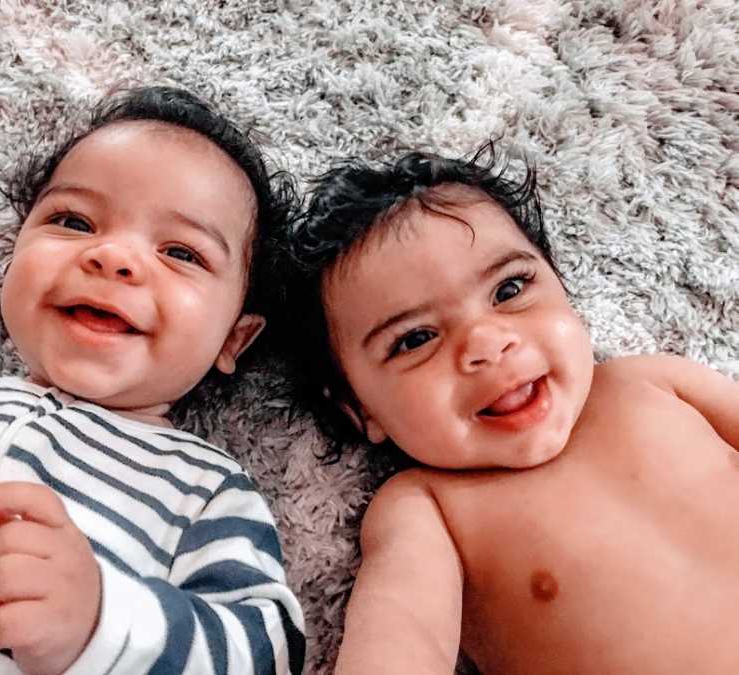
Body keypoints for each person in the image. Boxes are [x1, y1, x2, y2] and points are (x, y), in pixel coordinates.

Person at [0, 86, 305, 675]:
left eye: (182, 253)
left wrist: (102, 622)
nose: (114, 258)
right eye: (74, 221)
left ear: (235, 339)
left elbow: (265, 651)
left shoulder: (204, 488)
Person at [280, 141, 739, 675]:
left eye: (510, 289)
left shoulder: (658, 381)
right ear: (362, 412)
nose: (486, 342)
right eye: (416, 339)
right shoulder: (431, 507)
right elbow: (407, 638)